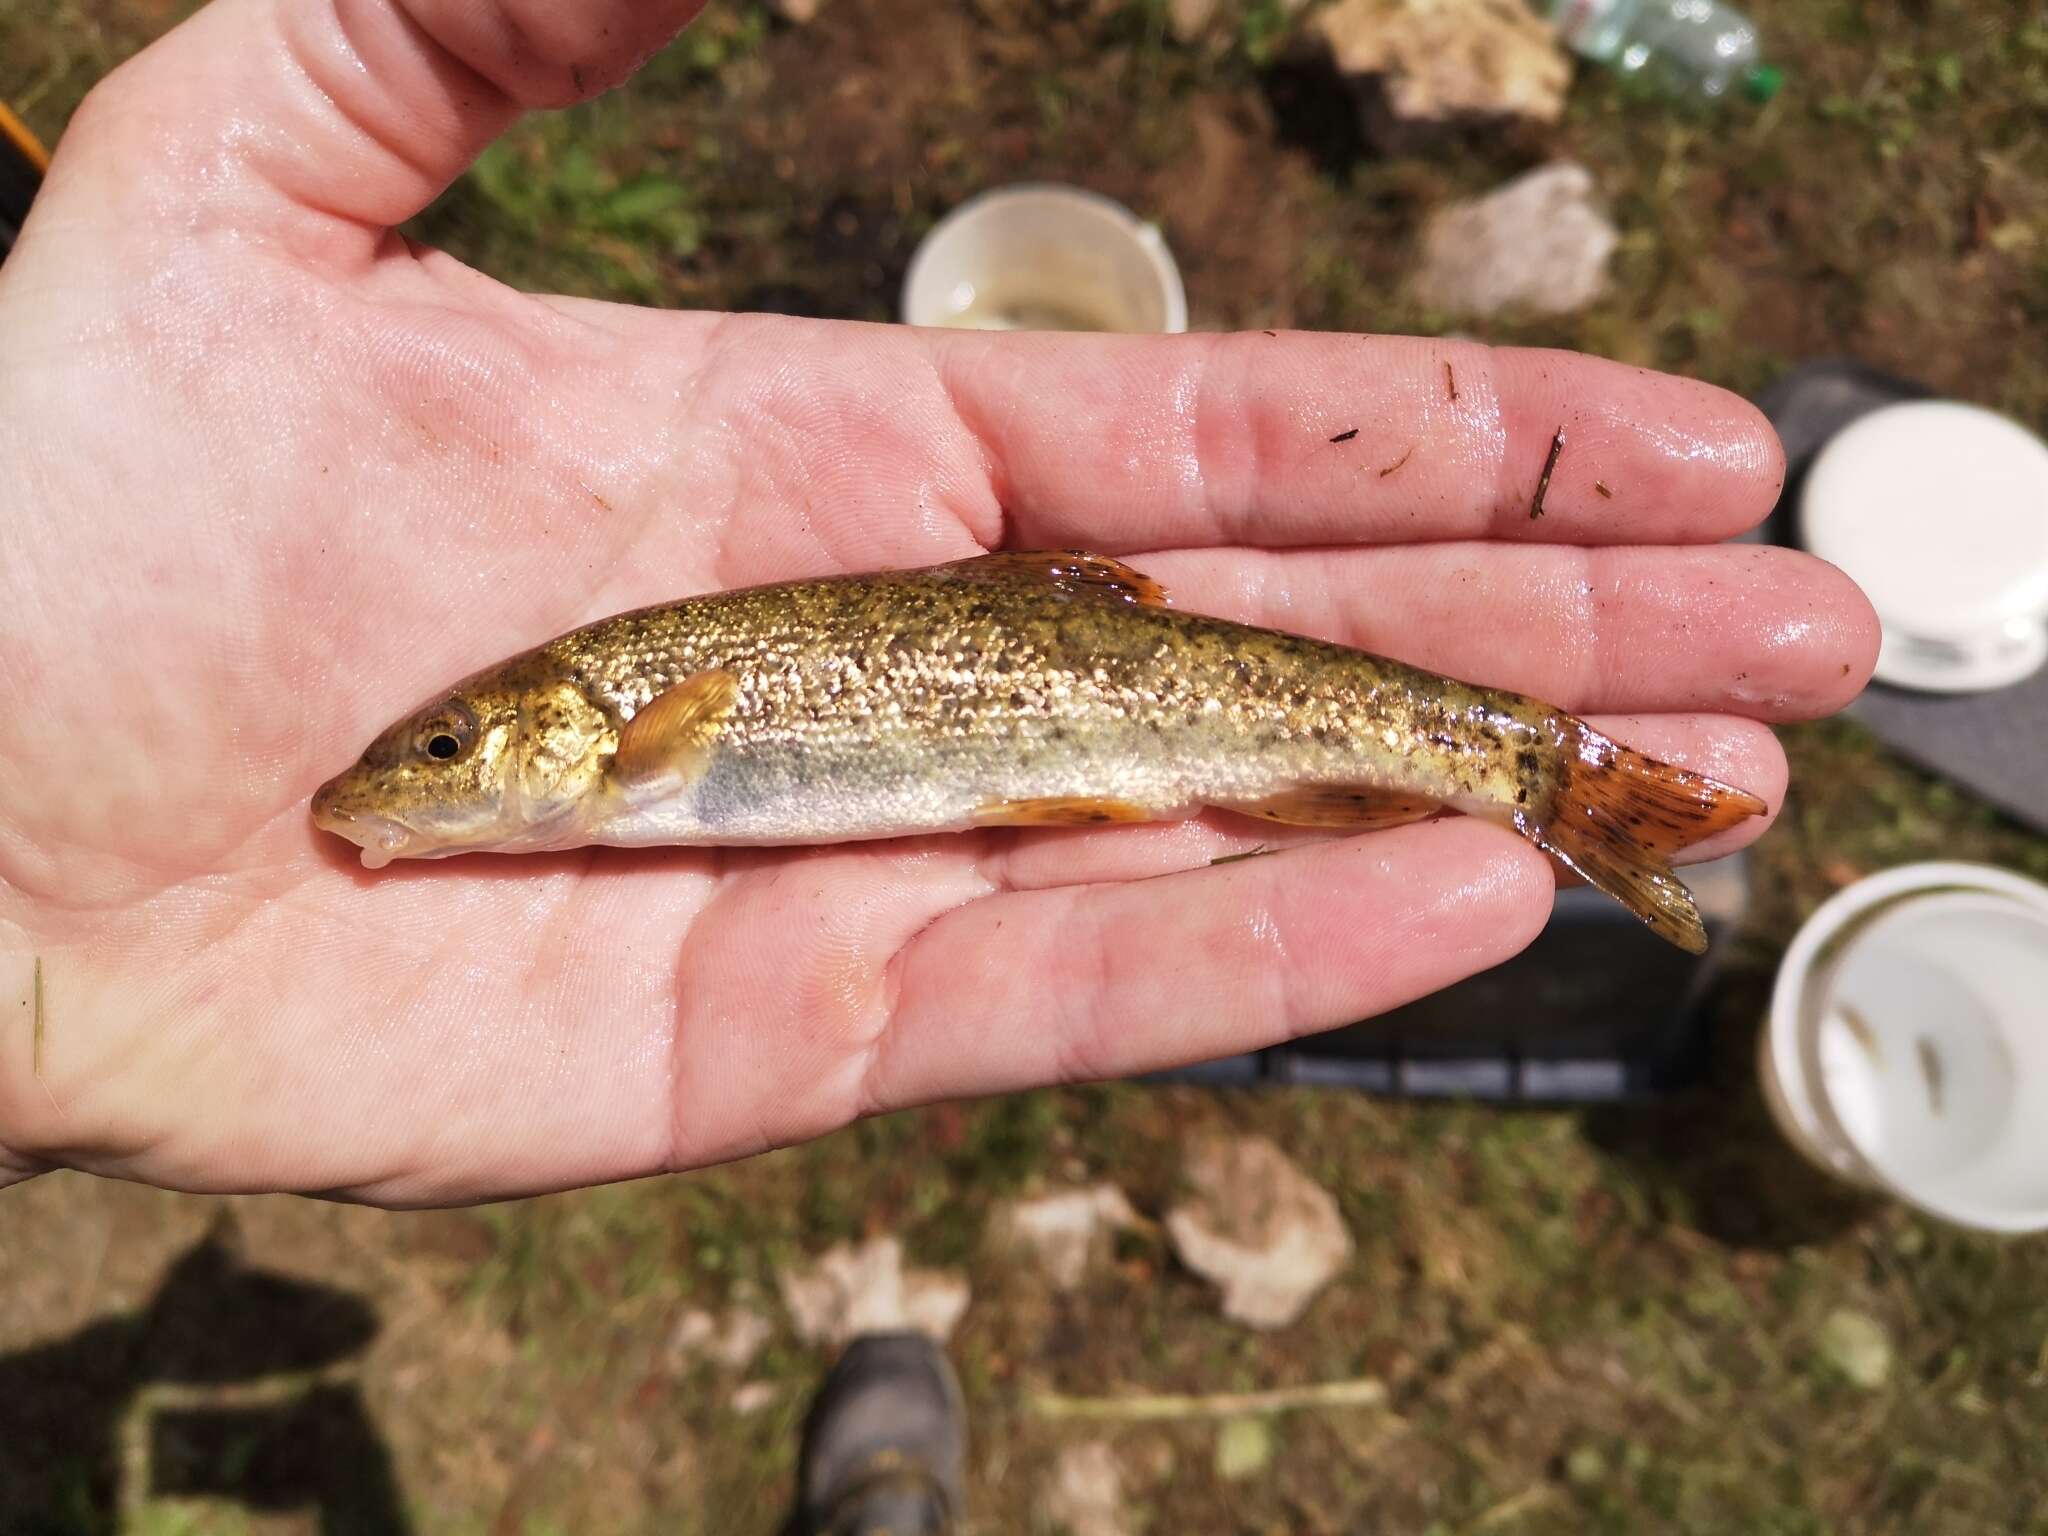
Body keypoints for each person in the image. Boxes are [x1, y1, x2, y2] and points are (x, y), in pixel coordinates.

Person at [0, 2, 1874, 1202]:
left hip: (1089, 705)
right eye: (432, 751)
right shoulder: (595, 730)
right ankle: (1523, 771)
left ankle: (1528, 769)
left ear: (568, 741)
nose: (410, 780)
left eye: (442, 752)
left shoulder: (623, 722)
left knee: (1340, 773)